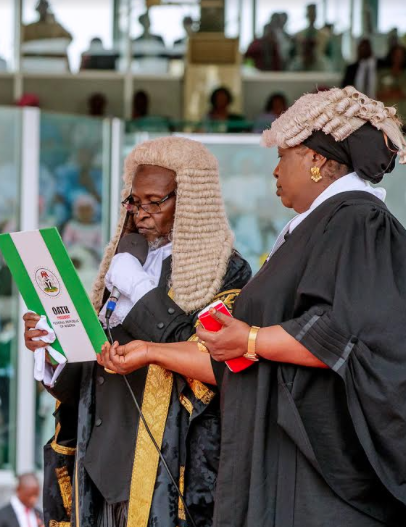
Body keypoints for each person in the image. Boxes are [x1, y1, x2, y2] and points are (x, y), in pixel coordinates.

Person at [102, 86, 406, 526]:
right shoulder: (314, 227)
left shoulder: (358, 219)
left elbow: (341, 333)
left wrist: (250, 338)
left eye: (283, 157)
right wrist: (151, 351)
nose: (276, 171)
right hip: (278, 463)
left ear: (315, 159)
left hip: (322, 482)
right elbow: (237, 363)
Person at [26, 137, 252, 527]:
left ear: (190, 202)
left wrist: (140, 289)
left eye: (155, 201)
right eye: (134, 201)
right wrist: (54, 350)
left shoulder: (225, 271)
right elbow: (89, 380)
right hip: (97, 470)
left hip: (170, 472)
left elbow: (214, 363)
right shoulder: (122, 262)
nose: (142, 213)